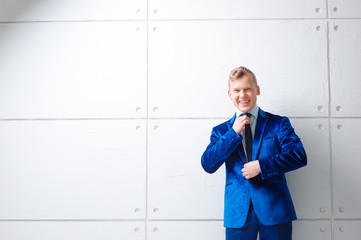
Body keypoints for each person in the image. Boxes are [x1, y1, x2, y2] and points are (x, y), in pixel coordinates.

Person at [201, 66, 307, 240]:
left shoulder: (278, 123)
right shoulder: (221, 131)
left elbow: (298, 155)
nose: (242, 95)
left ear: (257, 90)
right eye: (236, 90)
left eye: (247, 89)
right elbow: (208, 164)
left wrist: (261, 166)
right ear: (229, 94)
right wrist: (232, 134)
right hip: (238, 214)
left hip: (275, 210)